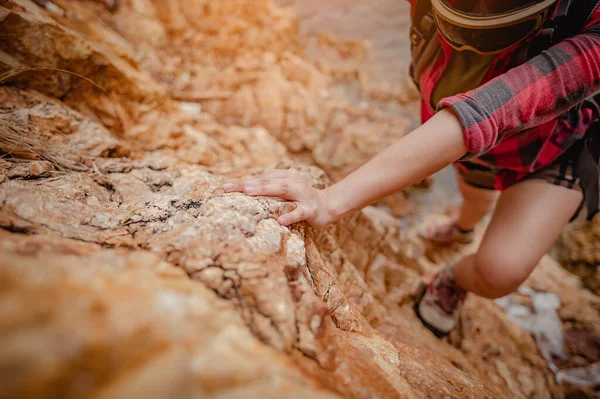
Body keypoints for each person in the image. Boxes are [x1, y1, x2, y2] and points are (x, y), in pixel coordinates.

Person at [223, 0, 600, 338]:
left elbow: (493, 109)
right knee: (474, 195)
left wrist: (330, 200)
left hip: (558, 143)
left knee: (500, 271)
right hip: (466, 134)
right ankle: (463, 227)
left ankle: (455, 277)